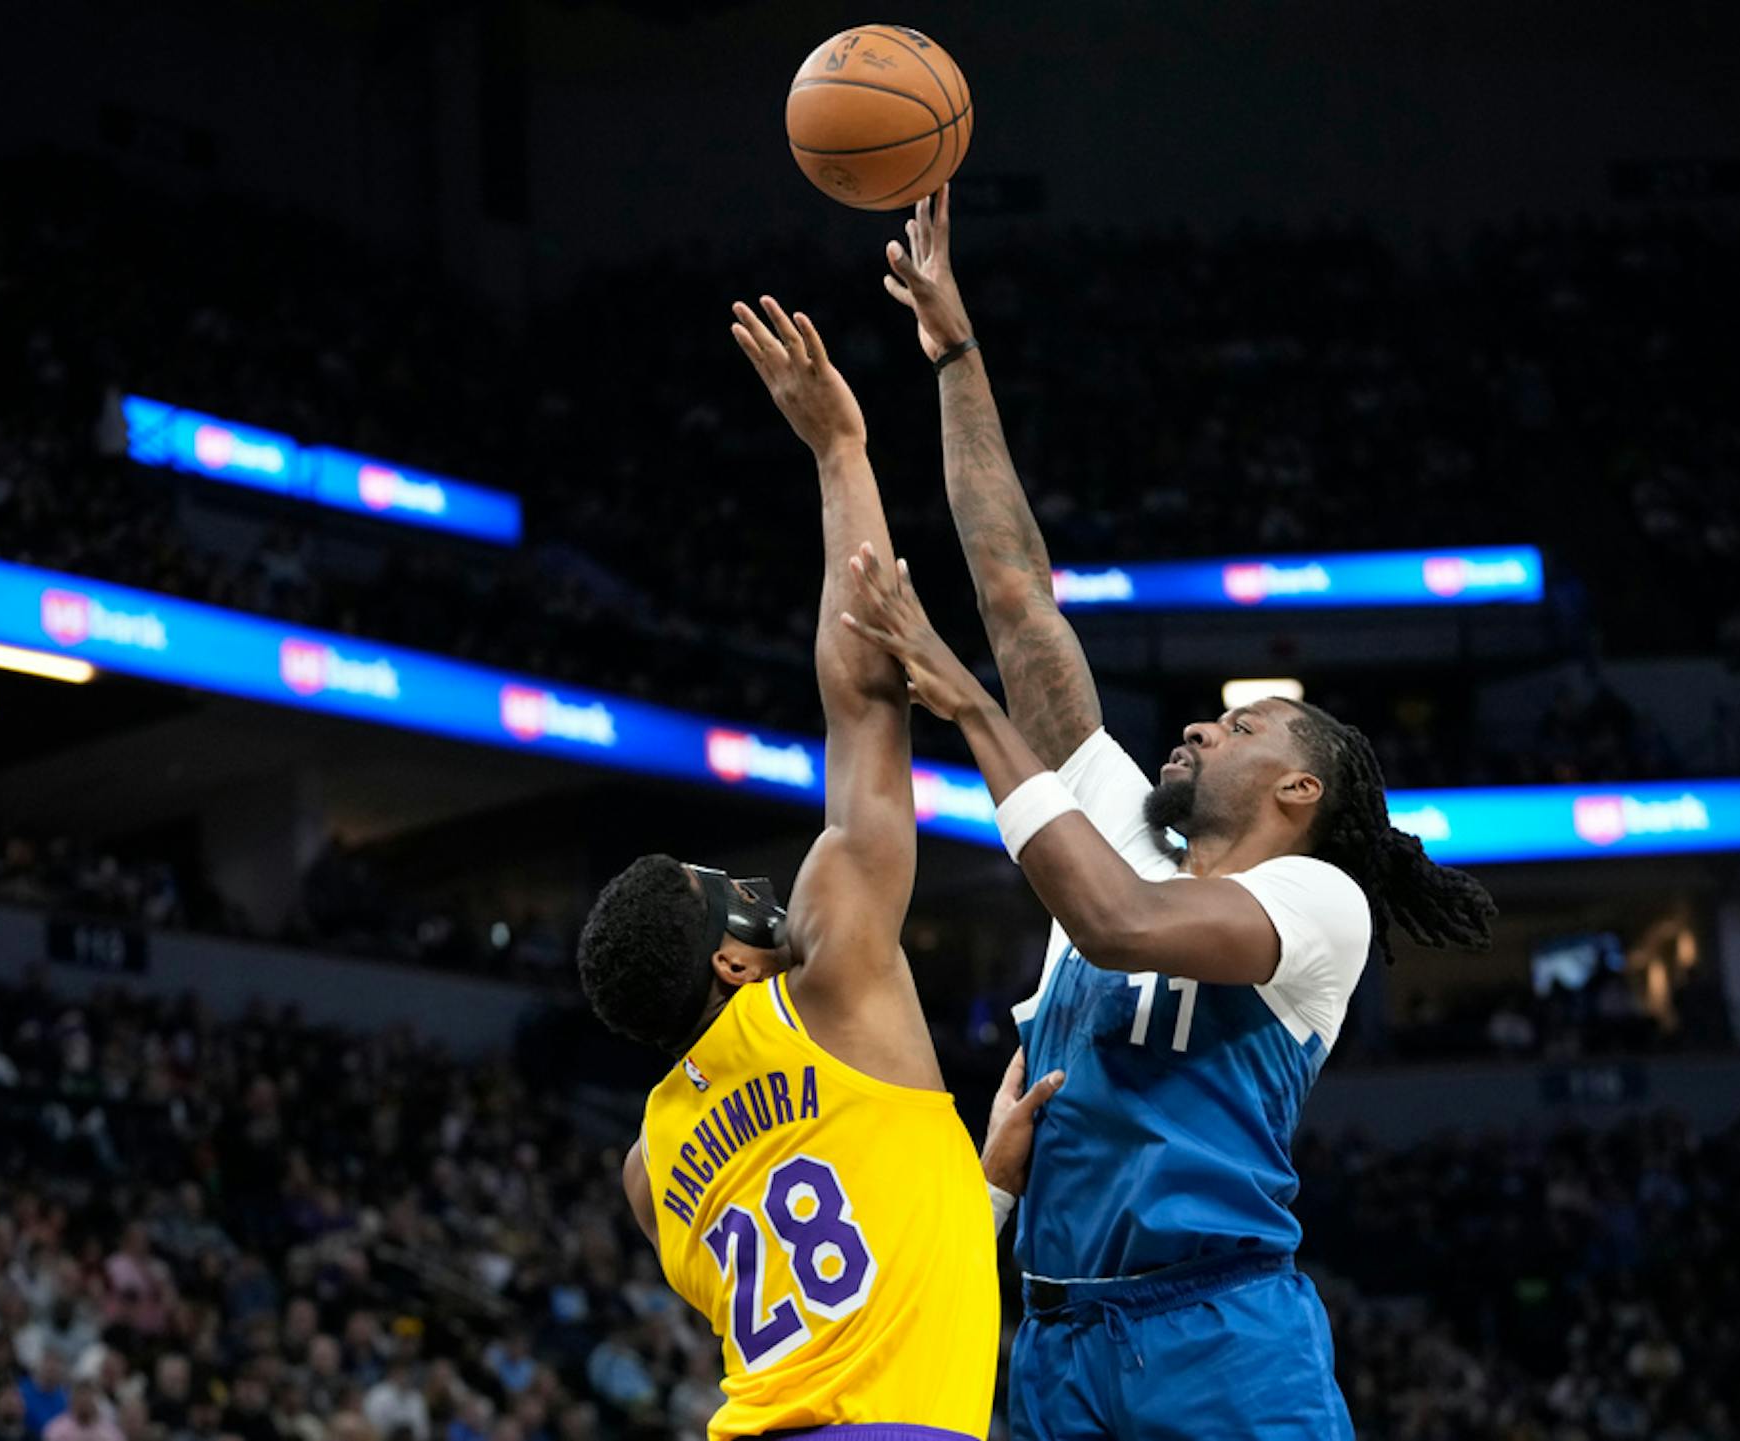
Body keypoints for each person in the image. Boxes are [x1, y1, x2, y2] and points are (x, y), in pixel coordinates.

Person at [862, 186, 1498, 1439]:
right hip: (1051, 1341)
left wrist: (973, 717)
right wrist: (953, 353)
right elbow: (1014, 593)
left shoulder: (1318, 904)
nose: (1204, 724)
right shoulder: (1112, 809)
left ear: (1298, 790)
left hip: (1216, 1336)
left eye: (1244, 726)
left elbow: (1117, 922)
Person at [575, 297, 1003, 1441]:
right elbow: (863, 702)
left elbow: (845, 1256)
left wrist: (976, 1185)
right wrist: (841, 451)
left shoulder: (647, 1168)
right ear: (726, 958)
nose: (761, 890)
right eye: (734, 894)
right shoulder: (836, 981)